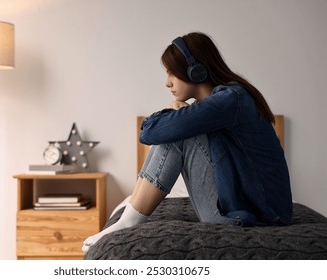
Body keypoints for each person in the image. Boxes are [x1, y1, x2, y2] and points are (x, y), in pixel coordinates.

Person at [82, 32, 292, 253]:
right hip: (251, 210)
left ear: (196, 71)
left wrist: (175, 115)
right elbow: (149, 131)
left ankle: (129, 220)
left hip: (255, 217)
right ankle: (129, 216)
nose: (167, 82)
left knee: (179, 134)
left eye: (172, 73)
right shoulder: (228, 99)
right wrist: (175, 114)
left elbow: (149, 133)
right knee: (177, 131)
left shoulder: (231, 100)